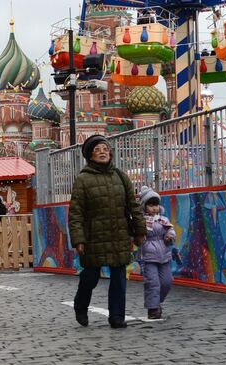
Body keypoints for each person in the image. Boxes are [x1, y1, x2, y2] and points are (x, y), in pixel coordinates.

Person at [68, 135, 146, 329]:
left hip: (119, 234)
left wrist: (139, 230)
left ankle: (117, 317)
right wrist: (79, 239)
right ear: (89, 155)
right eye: (97, 149)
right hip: (94, 236)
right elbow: (76, 212)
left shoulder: (120, 176)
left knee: (119, 278)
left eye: (105, 148)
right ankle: (81, 304)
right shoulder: (83, 179)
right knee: (91, 276)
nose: (102, 151)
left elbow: (133, 206)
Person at [138, 186, 176, 319]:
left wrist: (170, 236)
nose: (154, 208)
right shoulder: (142, 221)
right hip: (149, 256)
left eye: (156, 204)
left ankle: (156, 302)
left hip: (164, 254)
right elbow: (138, 235)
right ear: (144, 206)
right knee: (152, 282)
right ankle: (153, 309)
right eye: (151, 205)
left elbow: (170, 230)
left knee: (167, 281)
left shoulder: (163, 219)